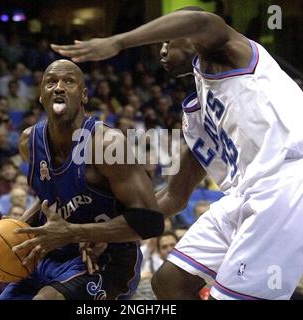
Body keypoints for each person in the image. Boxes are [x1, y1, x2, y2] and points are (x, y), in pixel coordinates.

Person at [52, 7, 303, 300]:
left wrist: (118, 42)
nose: (162, 50)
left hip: (287, 181)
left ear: (191, 38)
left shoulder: (234, 55)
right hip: (243, 195)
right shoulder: (199, 115)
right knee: (170, 282)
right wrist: (105, 234)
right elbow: (172, 197)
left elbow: (200, 19)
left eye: (168, 41)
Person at [0, 59, 164, 300]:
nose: (59, 87)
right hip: (51, 253)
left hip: (106, 262)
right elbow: (52, 193)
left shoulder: (107, 144)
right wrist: (21, 224)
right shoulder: (29, 143)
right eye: (51, 82)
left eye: (69, 81)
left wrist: (77, 233)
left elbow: (150, 222)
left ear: (84, 95)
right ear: (41, 97)